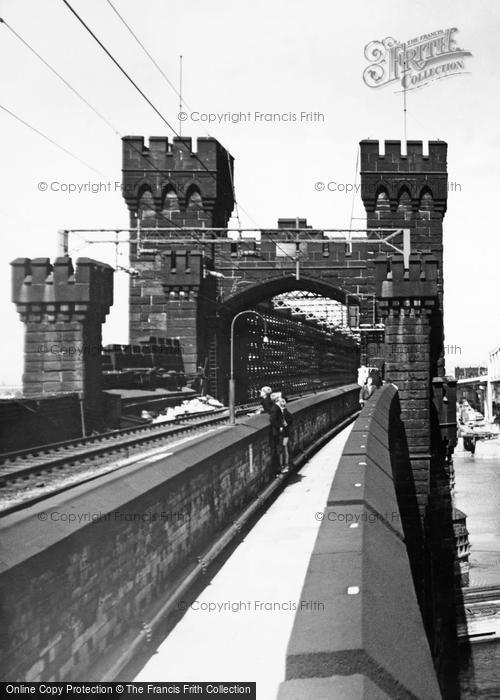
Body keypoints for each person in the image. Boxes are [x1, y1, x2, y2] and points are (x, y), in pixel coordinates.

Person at [270, 394, 293, 473]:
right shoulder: (276, 408)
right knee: (281, 449)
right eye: (280, 399)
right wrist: (280, 426)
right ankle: (282, 466)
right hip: (280, 432)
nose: (281, 400)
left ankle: (284, 465)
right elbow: (273, 420)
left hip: (283, 433)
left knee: (283, 448)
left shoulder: (280, 409)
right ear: (277, 400)